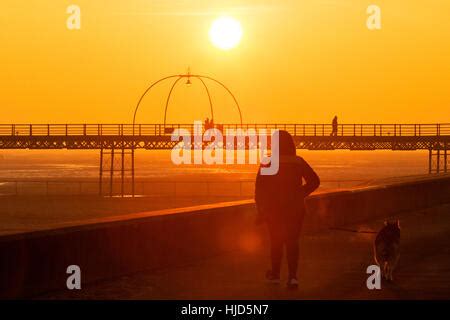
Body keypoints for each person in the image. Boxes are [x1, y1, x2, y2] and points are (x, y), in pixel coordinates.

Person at [255, 130, 320, 289]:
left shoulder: (268, 162)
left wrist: (261, 210)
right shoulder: (298, 162)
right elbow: (315, 181)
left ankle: (275, 275)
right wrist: (301, 193)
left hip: (273, 210)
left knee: (276, 242)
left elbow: (260, 190)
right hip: (295, 209)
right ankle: (293, 278)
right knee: (292, 241)